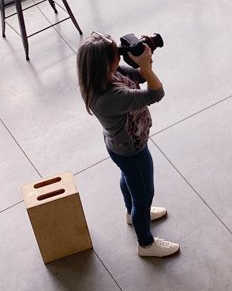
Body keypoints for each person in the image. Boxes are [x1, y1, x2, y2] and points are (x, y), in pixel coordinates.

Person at [76, 32, 180, 258]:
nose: (120, 57)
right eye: (116, 55)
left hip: (119, 146)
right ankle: (146, 244)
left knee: (129, 179)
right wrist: (148, 68)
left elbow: (139, 76)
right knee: (144, 195)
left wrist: (143, 63)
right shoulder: (111, 98)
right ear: (105, 63)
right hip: (132, 150)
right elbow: (156, 92)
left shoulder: (101, 76)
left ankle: (130, 213)